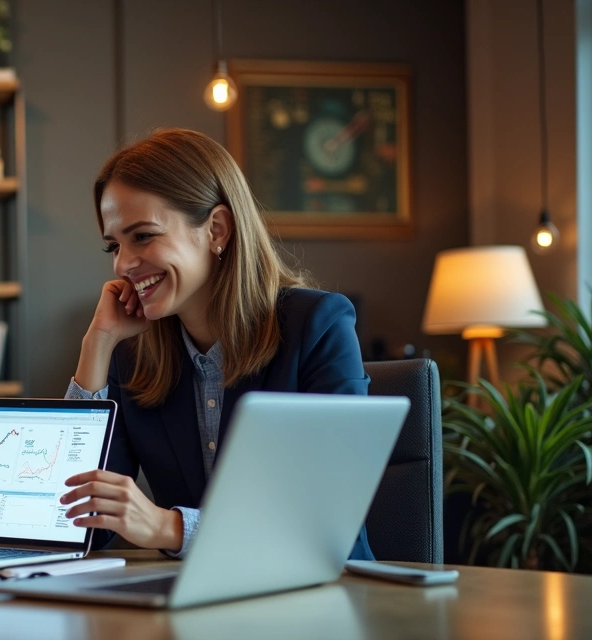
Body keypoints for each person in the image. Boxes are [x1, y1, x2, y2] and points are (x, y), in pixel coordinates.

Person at [60, 128, 374, 560]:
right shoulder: (130, 353)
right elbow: (75, 526)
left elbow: (325, 520)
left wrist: (168, 527)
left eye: (143, 236)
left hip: (319, 589)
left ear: (217, 229)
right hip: (188, 596)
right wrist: (97, 345)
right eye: (113, 246)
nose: (123, 264)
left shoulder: (318, 326)